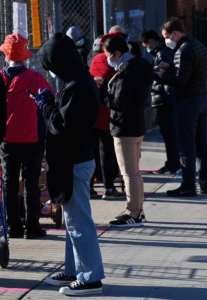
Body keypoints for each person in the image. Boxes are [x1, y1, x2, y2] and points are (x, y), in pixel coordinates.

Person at [39, 33, 104, 296]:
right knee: (71, 220)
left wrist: (46, 108)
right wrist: (52, 104)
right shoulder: (77, 81)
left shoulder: (78, 86)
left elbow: (63, 126)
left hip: (75, 160)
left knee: (79, 223)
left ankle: (90, 277)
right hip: (74, 159)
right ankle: (74, 269)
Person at [0, 33, 51, 239]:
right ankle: (32, 226)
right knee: (31, 183)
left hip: (6, 138)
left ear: (6, 55)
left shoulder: (1, 78)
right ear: (25, 57)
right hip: (32, 138)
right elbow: (48, 99)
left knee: (10, 183)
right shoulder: (34, 78)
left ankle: (13, 226)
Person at [103, 34, 153, 227]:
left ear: (117, 53)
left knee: (129, 173)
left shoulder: (127, 72)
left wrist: (104, 94)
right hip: (136, 125)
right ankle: (137, 209)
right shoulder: (139, 65)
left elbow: (119, 101)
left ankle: (133, 211)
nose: (108, 59)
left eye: (109, 55)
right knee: (134, 172)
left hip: (124, 127)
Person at [161, 17, 207, 196]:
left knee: (186, 146)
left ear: (174, 33)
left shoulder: (183, 49)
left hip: (188, 102)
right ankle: (204, 182)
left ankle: (188, 185)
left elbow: (180, 80)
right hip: (202, 98)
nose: (166, 41)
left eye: (166, 36)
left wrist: (161, 74)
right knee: (201, 144)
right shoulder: (199, 45)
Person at [141, 30, 180, 175]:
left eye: (146, 44)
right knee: (168, 133)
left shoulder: (162, 53)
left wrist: (148, 71)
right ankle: (172, 162)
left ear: (151, 41)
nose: (146, 47)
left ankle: (173, 163)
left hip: (165, 98)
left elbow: (160, 73)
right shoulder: (160, 52)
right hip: (163, 97)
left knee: (169, 133)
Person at [89, 40, 124, 200]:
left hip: (94, 113)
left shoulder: (96, 61)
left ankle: (92, 186)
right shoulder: (108, 62)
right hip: (106, 113)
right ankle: (109, 186)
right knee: (106, 152)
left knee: (93, 151)